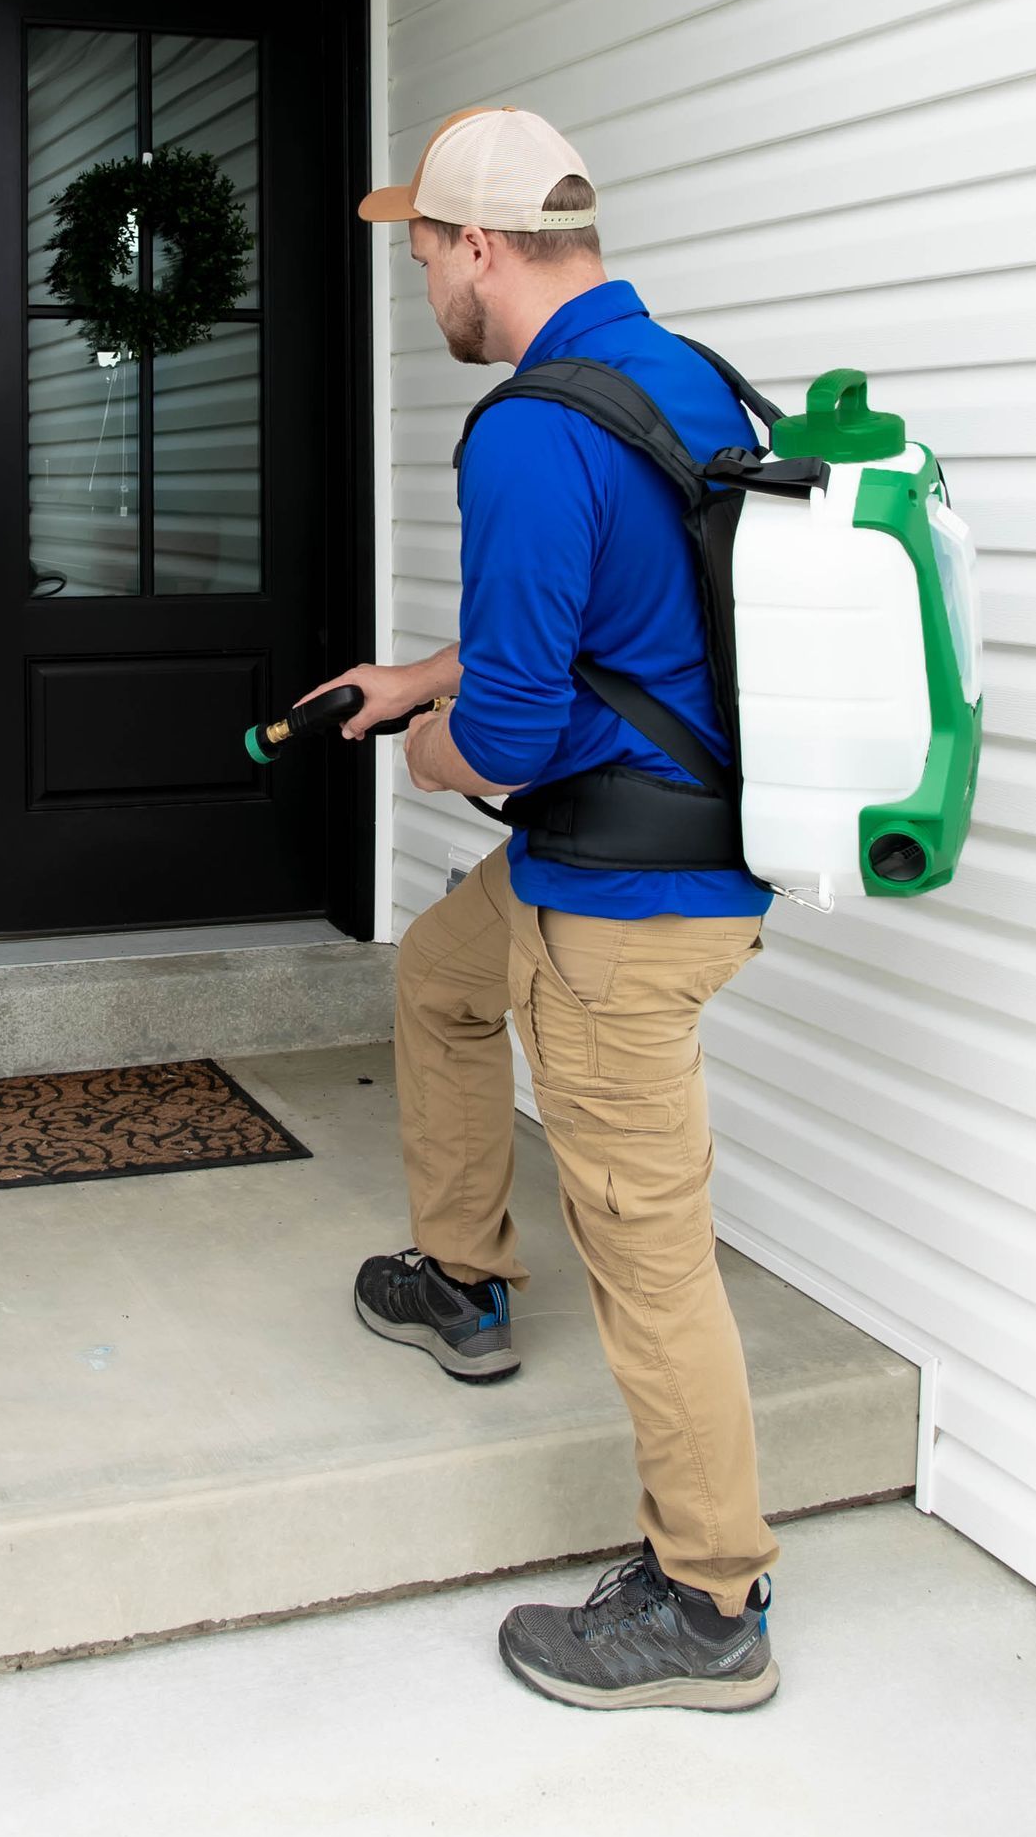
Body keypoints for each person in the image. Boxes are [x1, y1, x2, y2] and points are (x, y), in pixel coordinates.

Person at [315, 103, 780, 1712]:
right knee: (442, 980)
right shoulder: (684, 377)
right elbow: (616, 622)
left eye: (428, 250)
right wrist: (410, 678)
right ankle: (462, 1278)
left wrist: (432, 743)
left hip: (622, 902)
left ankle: (710, 1600)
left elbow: (509, 730)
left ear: (484, 251)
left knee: (648, 1250)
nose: (425, 278)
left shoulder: (527, 427)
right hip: (642, 846)